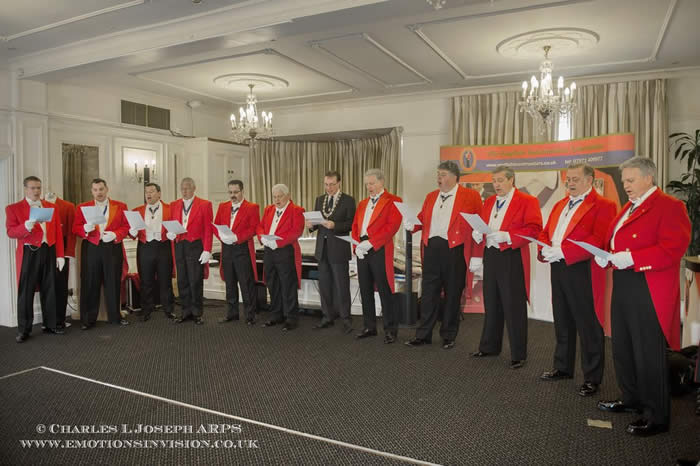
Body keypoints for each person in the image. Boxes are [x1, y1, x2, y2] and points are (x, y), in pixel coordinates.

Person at [595, 156, 691, 437]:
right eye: (624, 180)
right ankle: (631, 398)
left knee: (648, 352)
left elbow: (673, 248)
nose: (625, 185)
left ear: (649, 178)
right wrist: (608, 258)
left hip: (650, 287)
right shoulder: (628, 207)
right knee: (623, 346)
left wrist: (634, 258)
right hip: (625, 284)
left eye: (630, 180)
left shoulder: (670, 206)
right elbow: (615, 241)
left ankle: (656, 415)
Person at [536, 163, 617, 396]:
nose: (569, 183)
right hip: (558, 267)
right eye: (567, 179)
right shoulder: (560, 204)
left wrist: (564, 251)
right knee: (562, 318)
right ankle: (563, 367)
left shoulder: (604, 205)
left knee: (588, 324)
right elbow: (546, 231)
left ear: (589, 181)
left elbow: (599, 239)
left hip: (584, 270)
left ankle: (592, 377)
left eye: (574, 179)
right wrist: (544, 249)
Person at [404, 161, 483, 349]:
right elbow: (423, 219)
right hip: (431, 249)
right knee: (429, 293)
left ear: (455, 177)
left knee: (452, 294)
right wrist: (412, 225)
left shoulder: (470, 196)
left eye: (443, 174)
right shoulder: (431, 196)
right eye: (438, 174)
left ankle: (448, 335)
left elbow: (480, 225)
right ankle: (423, 335)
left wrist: (477, 255)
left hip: (454, 250)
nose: (439, 178)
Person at [470, 166, 542, 369]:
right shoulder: (490, 201)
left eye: (500, 180)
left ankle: (519, 353)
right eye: (494, 181)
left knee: (513, 305)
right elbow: (485, 224)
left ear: (512, 180)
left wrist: (508, 236)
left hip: (512, 255)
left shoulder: (528, 201)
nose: (496, 184)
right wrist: (478, 233)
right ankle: (489, 346)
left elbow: (534, 229)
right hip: (491, 255)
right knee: (491, 302)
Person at [6, 176, 65, 342]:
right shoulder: (13, 208)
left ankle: (51, 324)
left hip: (49, 250)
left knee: (50, 288)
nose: (36, 191)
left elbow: (58, 233)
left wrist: (60, 255)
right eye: (32, 188)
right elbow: (10, 232)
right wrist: (25, 226)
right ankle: (24, 330)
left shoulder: (51, 207)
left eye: (38, 188)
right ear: (25, 189)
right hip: (28, 253)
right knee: (26, 291)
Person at [351, 168, 402, 344]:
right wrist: (356, 245)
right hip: (362, 249)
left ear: (381, 182)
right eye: (367, 184)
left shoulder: (393, 200)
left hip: (379, 248)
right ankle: (369, 326)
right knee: (365, 289)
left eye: (372, 183)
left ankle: (390, 330)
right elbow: (356, 226)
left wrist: (371, 243)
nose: (369, 187)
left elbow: (392, 227)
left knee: (384, 289)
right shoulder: (363, 203)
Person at [73, 178, 130, 329]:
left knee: (113, 282)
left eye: (101, 189)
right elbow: (75, 227)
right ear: (91, 191)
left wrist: (116, 235)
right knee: (90, 283)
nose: (98, 193)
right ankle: (88, 320)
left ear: (107, 189)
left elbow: (126, 226)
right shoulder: (82, 207)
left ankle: (115, 317)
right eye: (95, 190)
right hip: (92, 248)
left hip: (112, 247)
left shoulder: (120, 206)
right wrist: (85, 228)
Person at [306, 171, 356, 334]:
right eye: (326, 184)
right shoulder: (319, 199)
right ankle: (327, 316)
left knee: (342, 285)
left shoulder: (348, 200)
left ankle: (346, 319)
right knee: (325, 284)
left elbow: (351, 224)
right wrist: (310, 225)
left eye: (332, 184)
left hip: (339, 249)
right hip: (322, 249)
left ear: (339, 183)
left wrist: (335, 225)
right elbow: (317, 223)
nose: (329, 188)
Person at [257, 184, 305, 331]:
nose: (277, 199)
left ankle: (291, 317)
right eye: (275, 197)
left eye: (280, 196)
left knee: (287, 285)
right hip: (269, 251)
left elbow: (296, 231)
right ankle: (276, 315)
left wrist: (277, 243)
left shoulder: (297, 210)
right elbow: (260, 227)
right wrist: (262, 238)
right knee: (272, 284)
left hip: (285, 251)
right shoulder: (269, 209)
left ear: (288, 196)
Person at [213, 180, 260, 326]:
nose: (232, 195)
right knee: (230, 284)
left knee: (246, 284)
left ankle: (250, 315)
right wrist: (222, 237)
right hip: (227, 249)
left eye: (235, 192)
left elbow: (254, 229)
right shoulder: (223, 206)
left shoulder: (252, 207)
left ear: (242, 191)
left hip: (242, 249)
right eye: (230, 192)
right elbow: (216, 226)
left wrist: (237, 238)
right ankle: (232, 313)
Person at [169, 177, 213, 325]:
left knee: (195, 280)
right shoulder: (174, 205)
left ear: (194, 188)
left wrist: (207, 249)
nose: (184, 191)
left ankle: (197, 313)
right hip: (180, 245)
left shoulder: (205, 204)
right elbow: (171, 223)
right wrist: (170, 233)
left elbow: (208, 229)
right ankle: (185, 311)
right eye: (182, 188)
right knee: (182, 280)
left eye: (187, 188)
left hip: (196, 246)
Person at [129, 183, 175, 321]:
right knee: (146, 280)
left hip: (163, 246)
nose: (148, 194)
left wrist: (173, 234)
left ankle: (168, 309)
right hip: (145, 247)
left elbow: (176, 226)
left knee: (165, 280)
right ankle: (146, 309)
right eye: (146, 192)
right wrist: (132, 232)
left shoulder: (170, 209)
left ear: (159, 193)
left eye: (152, 191)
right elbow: (132, 233)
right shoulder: (137, 211)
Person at [51, 194, 76, 330]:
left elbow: (72, 232)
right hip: (44, 251)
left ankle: (60, 320)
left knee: (61, 286)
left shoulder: (68, 206)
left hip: (62, 251)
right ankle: (48, 320)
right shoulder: (40, 205)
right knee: (46, 287)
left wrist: (69, 252)